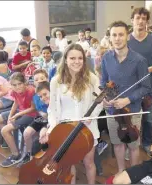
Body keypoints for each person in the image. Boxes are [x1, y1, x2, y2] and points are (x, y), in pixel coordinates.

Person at [39, 44, 103, 184]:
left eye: (80, 58)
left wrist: (91, 117)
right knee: (69, 164)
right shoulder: (56, 81)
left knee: (89, 163)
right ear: (66, 59)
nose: (76, 61)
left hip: (87, 129)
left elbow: (99, 103)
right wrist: (51, 129)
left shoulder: (91, 79)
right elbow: (53, 108)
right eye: (72, 58)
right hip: (65, 129)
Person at [100, 21, 150, 173]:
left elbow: (146, 86)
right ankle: (121, 172)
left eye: (121, 34)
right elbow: (103, 82)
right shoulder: (106, 58)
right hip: (113, 112)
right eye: (114, 35)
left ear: (127, 36)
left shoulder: (139, 60)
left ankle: (133, 175)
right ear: (110, 37)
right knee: (117, 143)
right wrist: (105, 98)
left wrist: (127, 100)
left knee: (133, 145)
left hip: (132, 109)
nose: (117, 38)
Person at [128, 7, 152, 155]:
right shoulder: (126, 39)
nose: (141, 21)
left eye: (144, 19)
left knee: (148, 118)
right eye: (138, 18)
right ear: (132, 20)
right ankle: (130, 145)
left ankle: (147, 143)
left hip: (150, 86)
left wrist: (146, 70)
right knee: (130, 118)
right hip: (131, 87)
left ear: (147, 22)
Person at [0, 72, 37, 167]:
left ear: (24, 82)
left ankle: (16, 155)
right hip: (20, 111)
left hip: (31, 115)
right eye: (14, 85)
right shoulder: (14, 91)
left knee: (5, 130)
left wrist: (16, 115)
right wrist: (10, 116)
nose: (17, 87)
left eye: (19, 84)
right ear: (11, 85)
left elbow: (33, 108)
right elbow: (16, 103)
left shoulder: (31, 91)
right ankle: (11, 139)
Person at [17, 70, 49, 167]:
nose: (39, 81)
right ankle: (29, 154)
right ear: (33, 82)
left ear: (47, 79)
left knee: (42, 136)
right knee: (27, 133)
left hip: (50, 119)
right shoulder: (35, 96)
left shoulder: (50, 92)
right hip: (41, 117)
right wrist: (41, 114)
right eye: (36, 79)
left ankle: (41, 158)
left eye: (42, 78)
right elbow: (37, 109)